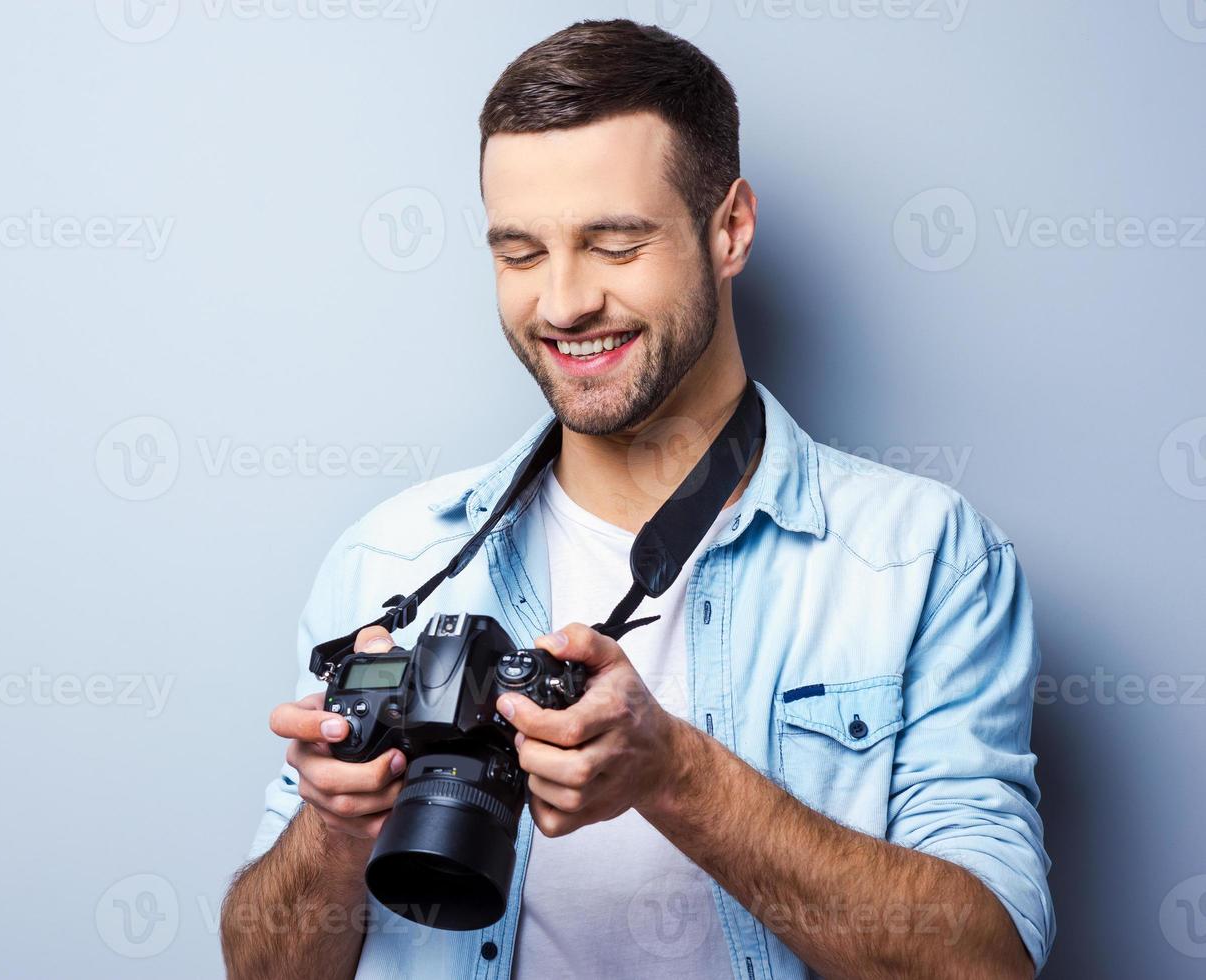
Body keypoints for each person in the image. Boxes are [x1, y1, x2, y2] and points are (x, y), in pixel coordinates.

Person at [221, 18, 1053, 979]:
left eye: (614, 244)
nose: (563, 302)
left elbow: (984, 964)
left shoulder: (924, 559)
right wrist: (333, 831)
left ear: (729, 227)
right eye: (521, 253)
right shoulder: (388, 560)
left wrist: (674, 772)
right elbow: (262, 970)